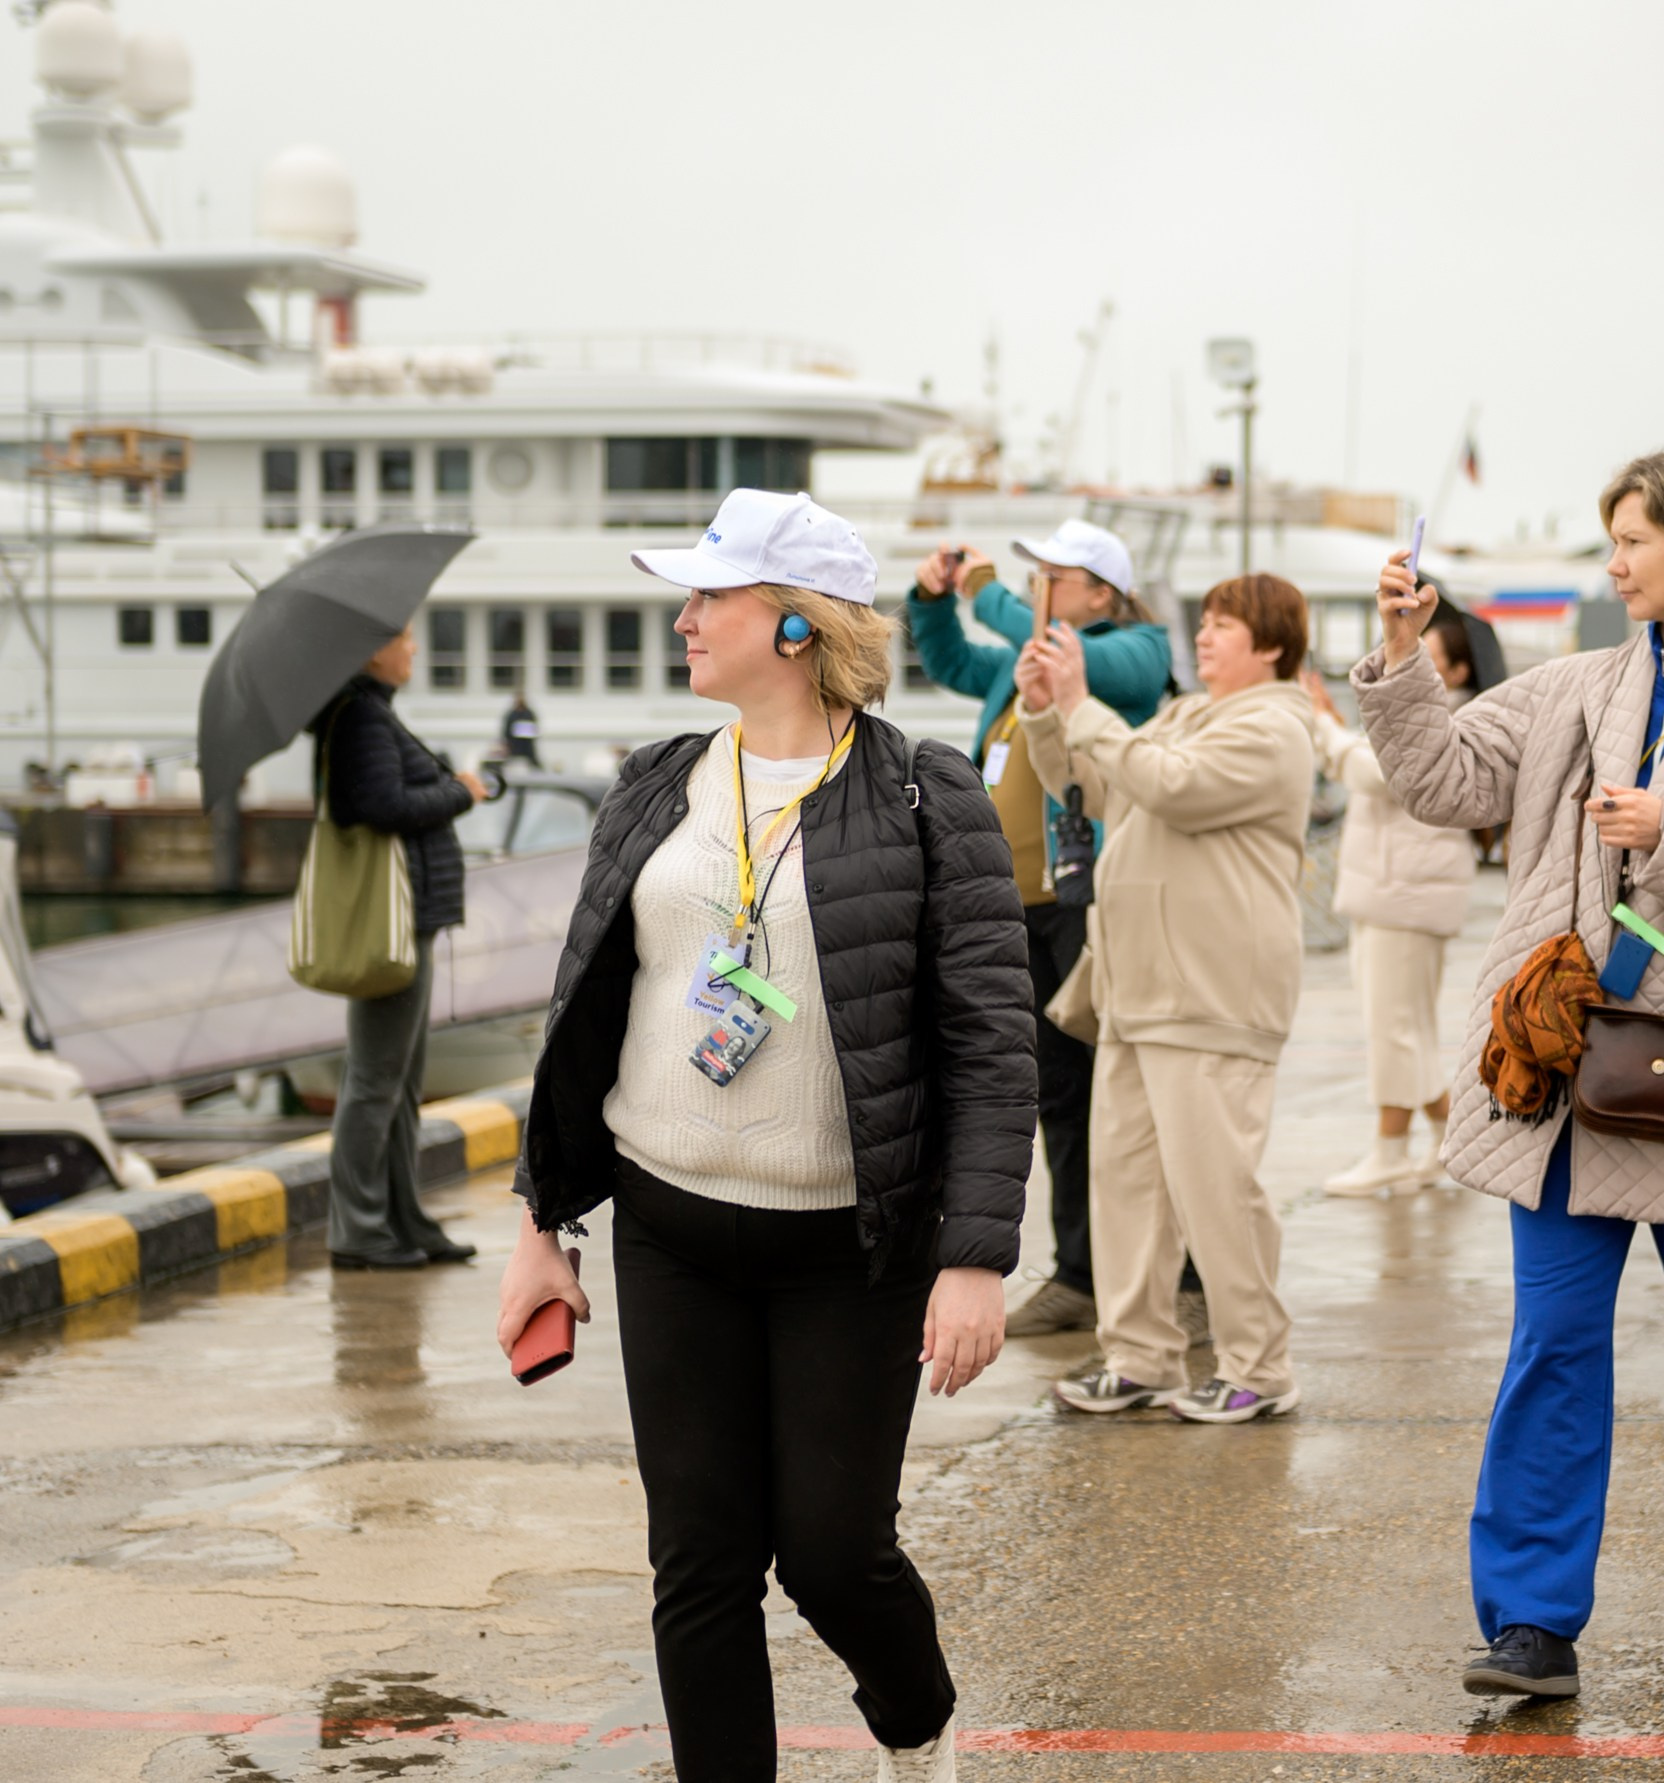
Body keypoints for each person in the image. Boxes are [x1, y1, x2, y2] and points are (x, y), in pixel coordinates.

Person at [495, 489, 1036, 1781]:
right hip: (670, 1224)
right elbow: (581, 1013)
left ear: (794, 622)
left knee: (836, 1551)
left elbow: (988, 1039)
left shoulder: (924, 792)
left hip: (849, 1242)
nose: (684, 617)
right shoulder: (655, 783)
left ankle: (918, 1716)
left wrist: (975, 1255)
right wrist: (540, 1220)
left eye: (710, 596)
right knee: (699, 1560)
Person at [1358, 448, 1664, 1695]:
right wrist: (1403, 654)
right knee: (1553, 1344)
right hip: (1563, 1065)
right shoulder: (1574, 686)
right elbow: (1437, 781)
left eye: (1632, 538)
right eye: (1612, 538)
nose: (1614, 560)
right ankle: (1529, 1621)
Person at [1017, 573, 1317, 1424]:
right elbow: (1094, 784)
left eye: (1227, 625)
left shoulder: (1274, 727)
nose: (1209, 636)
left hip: (1214, 988)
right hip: (1139, 986)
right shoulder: (1189, 716)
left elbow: (1171, 785)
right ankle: (1140, 1355)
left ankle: (1260, 1364)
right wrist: (1048, 712)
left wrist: (1082, 701)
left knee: (1216, 1185)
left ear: (1272, 645)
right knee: (1128, 1185)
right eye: (1208, 622)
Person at [905, 520, 1172, 1340]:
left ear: (1101, 592)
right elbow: (951, 661)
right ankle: (1081, 1274)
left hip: (1085, 908)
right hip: (1017, 912)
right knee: (1054, 1093)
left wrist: (983, 593)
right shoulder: (1024, 664)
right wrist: (931, 601)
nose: (1033, 592)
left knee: (1124, 1098)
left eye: (1052, 578)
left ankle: (1171, 1276)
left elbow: (1070, 657)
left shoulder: (1136, 651)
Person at [313, 626, 488, 1270]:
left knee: (401, 1078)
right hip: (393, 921)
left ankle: (402, 1218)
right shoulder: (361, 718)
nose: (414, 648)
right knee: (375, 1078)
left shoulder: (371, 714)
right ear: (370, 650)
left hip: (411, 918)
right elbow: (379, 805)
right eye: (404, 638)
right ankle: (359, 1229)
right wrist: (460, 792)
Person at [1303, 605, 1477, 1195]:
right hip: (1396, 890)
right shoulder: (1422, 716)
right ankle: (1451, 1140)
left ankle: (1391, 1151)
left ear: (1453, 673)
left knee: (1395, 1030)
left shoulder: (1453, 715)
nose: (1412, 661)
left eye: (1429, 656)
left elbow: (1376, 772)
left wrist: (1325, 725)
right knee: (1408, 1029)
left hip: (1406, 892)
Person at [500, 687, 541, 766]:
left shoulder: (529, 713)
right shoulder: (512, 714)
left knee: (534, 762)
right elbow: (507, 730)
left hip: (527, 744)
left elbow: (534, 727)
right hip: (514, 743)